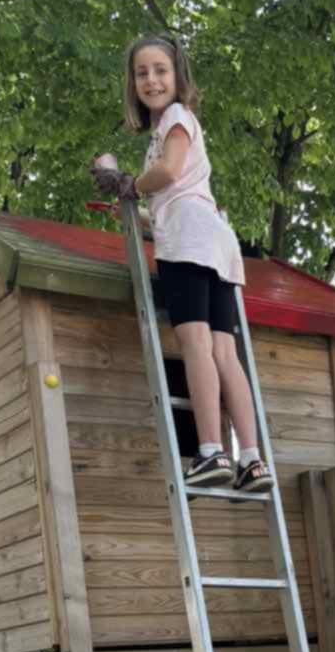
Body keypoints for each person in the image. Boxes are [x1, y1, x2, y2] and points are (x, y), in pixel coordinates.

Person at [91, 34, 272, 494]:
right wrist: (139, 214)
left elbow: (167, 174)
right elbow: (178, 196)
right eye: (142, 72)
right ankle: (252, 460)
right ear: (132, 83)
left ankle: (211, 449)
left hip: (190, 243)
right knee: (224, 352)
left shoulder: (175, 118)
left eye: (160, 70)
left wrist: (129, 184)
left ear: (178, 77)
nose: (151, 79)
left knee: (194, 346)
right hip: (214, 241)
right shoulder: (173, 125)